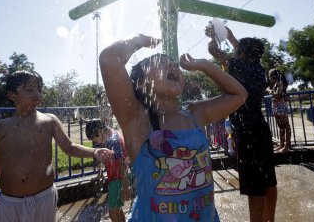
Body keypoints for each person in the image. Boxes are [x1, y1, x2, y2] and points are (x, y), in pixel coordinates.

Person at [99, 34, 248, 221]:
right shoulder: (137, 121)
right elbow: (109, 58)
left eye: (173, 63)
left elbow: (239, 95)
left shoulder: (195, 114)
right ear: (143, 84)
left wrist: (204, 65)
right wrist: (141, 40)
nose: (172, 65)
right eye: (160, 63)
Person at [0, 70, 114, 222]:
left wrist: (94, 152)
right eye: (30, 90)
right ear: (11, 95)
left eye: (39, 90)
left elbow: (70, 147)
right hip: (10, 201)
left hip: (44, 197)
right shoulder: (2, 127)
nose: (37, 95)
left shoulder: (49, 121)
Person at [207, 26, 277, 222]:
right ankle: (270, 219)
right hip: (261, 128)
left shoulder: (237, 66)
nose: (235, 51)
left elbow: (213, 50)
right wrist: (227, 34)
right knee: (268, 179)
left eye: (238, 50)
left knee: (254, 185)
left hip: (247, 131)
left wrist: (214, 36)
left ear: (243, 54)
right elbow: (239, 45)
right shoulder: (259, 69)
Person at [86, 119, 130, 222]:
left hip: (118, 180)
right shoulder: (113, 134)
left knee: (112, 213)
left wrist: (125, 186)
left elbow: (122, 163)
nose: (96, 142)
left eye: (95, 139)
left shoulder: (112, 140)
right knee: (118, 210)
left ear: (99, 131)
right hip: (118, 179)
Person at [267, 69, 292, 153]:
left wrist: (269, 90)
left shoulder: (281, 83)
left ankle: (287, 145)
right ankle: (281, 144)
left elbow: (277, 95)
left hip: (281, 106)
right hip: (276, 106)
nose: (269, 78)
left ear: (273, 76)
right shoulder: (276, 84)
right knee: (281, 126)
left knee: (286, 126)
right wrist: (271, 91)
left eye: (270, 76)